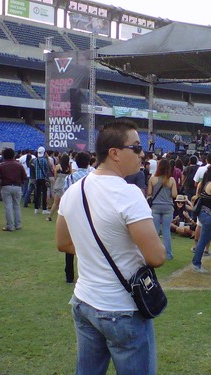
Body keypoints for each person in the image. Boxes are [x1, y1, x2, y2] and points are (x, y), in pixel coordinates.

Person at [56, 119, 165, 375]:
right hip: (122, 308)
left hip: (85, 301)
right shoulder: (128, 194)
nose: (143, 154)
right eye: (136, 148)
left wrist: (94, 252)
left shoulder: (74, 190)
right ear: (114, 153)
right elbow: (157, 256)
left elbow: (63, 243)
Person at [61, 152, 92, 284]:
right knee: (89, 244)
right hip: (90, 213)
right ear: (89, 163)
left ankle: (69, 275)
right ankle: (88, 274)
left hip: (73, 213)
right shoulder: (92, 177)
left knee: (70, 243)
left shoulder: (69, 178)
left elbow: (65, 195)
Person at [147, 158, 178, 260]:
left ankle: (153, 254)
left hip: (155, 207)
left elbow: (149, 193)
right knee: (166, 231)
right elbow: (174, 195)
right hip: (168, 207)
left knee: (155, 231)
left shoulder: (153, 179)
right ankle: (168, 254)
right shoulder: (171, 180)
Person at [0, 148, 27, 232]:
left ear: (4, 156)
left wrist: (0, 184)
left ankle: (10, 226)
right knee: (17, 206)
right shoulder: (19, 165)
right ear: (13, 155)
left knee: (8, 206)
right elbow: (25, 177)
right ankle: (18, 225)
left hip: (6, 186)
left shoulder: (1, 165)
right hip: (17, 186)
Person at [47, 154, 71, 221]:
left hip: (58, 185)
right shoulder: (69, 167)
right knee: (65, 203)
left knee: (56, 203)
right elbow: (70, 175)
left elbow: (55, 177)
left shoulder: (57, 166)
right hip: (66, 185)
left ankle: (49, 216)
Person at [33, 147, 52, 215]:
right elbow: (48, 169)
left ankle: (36, 209)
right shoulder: (44, 160)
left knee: (37, 194)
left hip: (37, 178)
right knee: (44, 193)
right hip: (43, 178)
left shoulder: (35, 160)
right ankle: (44, 209)